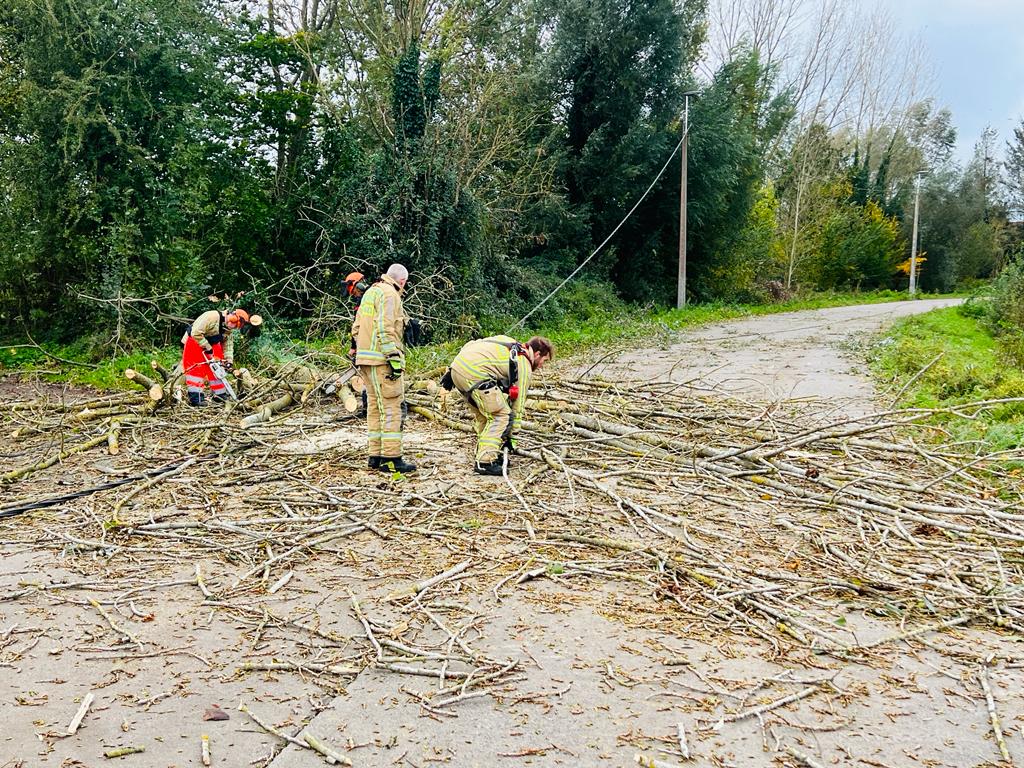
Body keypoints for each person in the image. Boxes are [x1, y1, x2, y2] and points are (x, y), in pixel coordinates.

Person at [445, 335, 554, 475]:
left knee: (485, 416)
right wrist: (512, 438)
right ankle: (485, 461)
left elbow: (474, 343)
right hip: (475, 375)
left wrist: (451, 370)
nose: (541, 366)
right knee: (501, 415)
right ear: (537, 354)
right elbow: (518, 405)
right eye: (543, 361)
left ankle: (487, 452)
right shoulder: (524, 363)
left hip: (458, 369)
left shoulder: (509, 342)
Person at [351, 264, 416, 473]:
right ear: (402, 281)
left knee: (374, 408)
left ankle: (375, 456)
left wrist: (360, 351)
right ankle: (392, 458)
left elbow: (357, 328)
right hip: (382, 360)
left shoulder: (371, 292)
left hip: (366, 360)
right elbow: (384, 326)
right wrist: (394, 357)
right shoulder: (390, 294)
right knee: (392, 407)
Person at [181, 308, 252, 406]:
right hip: (195, 341)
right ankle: (196, 397)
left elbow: (228, 345)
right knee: (196, 369)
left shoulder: (228, 329)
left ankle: (220, 395)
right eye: (233, 323)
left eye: (235, 326)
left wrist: (228, 360)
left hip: (212, 343)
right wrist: (207, 347)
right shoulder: (211, 316)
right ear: (232, 316)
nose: (232, 326)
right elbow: (195, 333)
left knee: (218, 367)